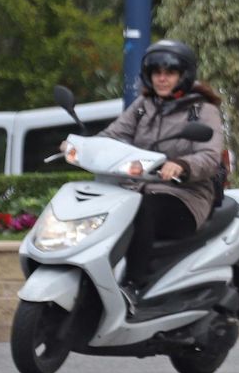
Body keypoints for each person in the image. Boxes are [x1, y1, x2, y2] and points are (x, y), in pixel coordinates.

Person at [90, 40, 226, 297]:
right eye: (156, 73)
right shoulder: (143, 105)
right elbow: (112, 135)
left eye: (169, 73)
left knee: (142, 209)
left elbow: (210, 156)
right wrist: (81, 146)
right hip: (135, 190)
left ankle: (133, 285)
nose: (162, 79)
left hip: (184, 197)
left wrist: (181, 165)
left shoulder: (202, 110)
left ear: (183, 75)